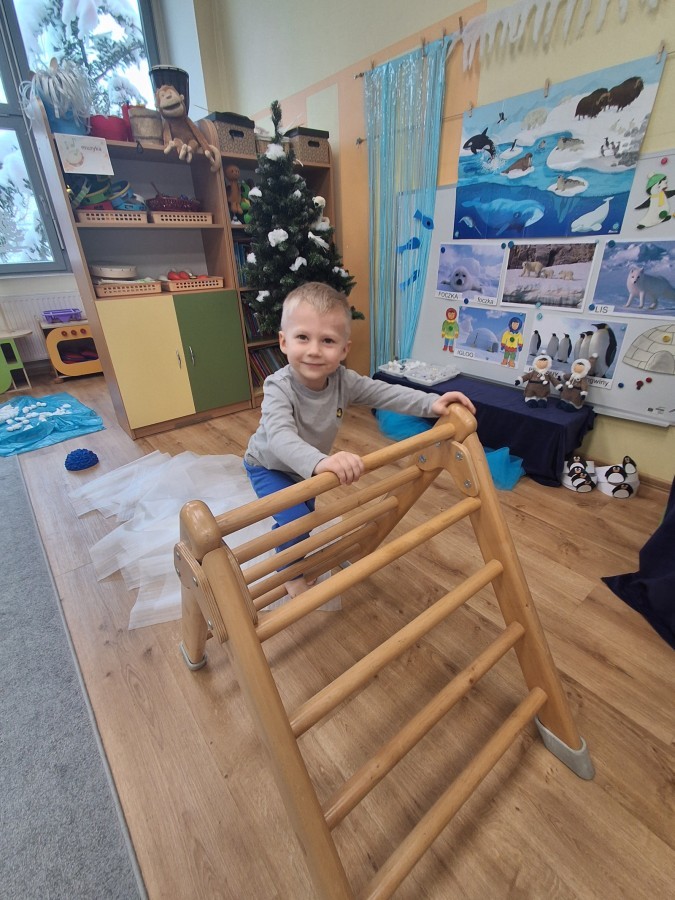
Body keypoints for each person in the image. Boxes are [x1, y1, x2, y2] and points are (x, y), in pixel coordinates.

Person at [244, 282, 475, 598]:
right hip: (269, 466)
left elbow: (384, 392)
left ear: (344, 349)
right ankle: (289, 572)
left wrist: (431, 403)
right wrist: (323, 462)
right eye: (302, 337)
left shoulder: (344, 380)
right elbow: (280, 438)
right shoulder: (278, 387)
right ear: (284, 341)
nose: (314, 350)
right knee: (296, 520)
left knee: (303, 518)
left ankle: (293, 554)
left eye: (327, 340)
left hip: (307, 467)